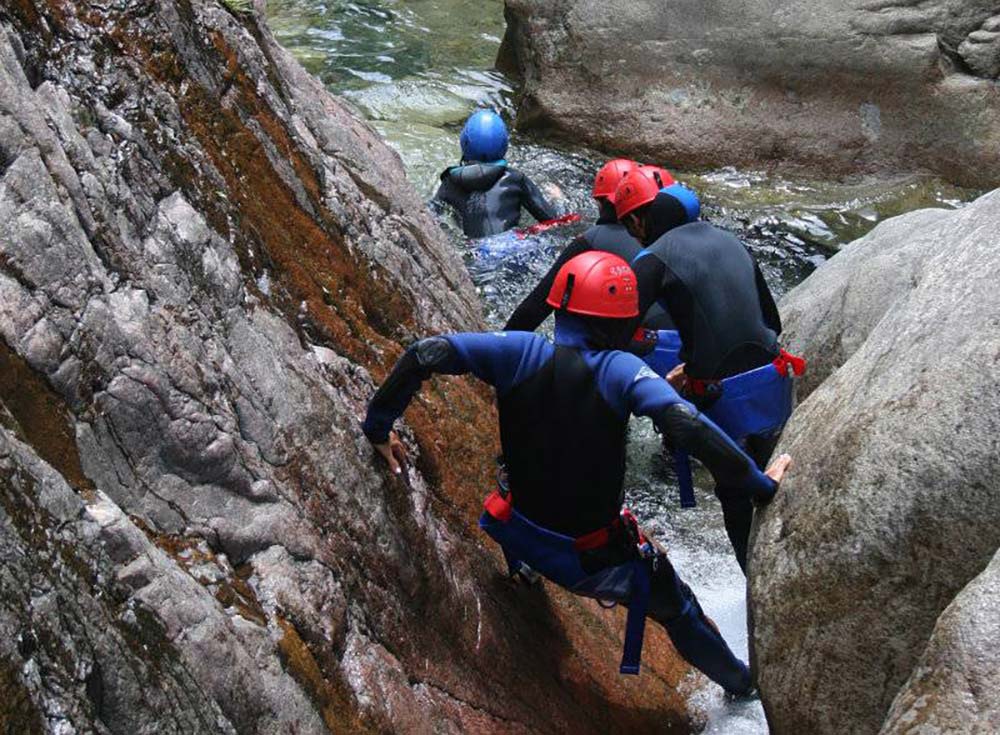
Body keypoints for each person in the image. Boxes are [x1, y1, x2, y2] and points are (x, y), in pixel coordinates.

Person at [362, 251, 792, 696]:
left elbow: (427, 352)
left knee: (518, 475)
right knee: (678, 607)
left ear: (562, 309)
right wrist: (760, 485)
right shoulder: (619, 368)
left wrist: (378, 426)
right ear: (618, 323)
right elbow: (685, 425)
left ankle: (525, 570)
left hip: (514, 527)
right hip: (591, 563)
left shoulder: (517, 350)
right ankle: (743, 686)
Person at [613, 167, 792, 573]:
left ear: (650, 220)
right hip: (773, 383)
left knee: (734, 493)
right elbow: (773, 322)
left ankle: (754, 579)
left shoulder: (653, 256)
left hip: (720, 396)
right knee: (778, 484)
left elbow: (619, 333)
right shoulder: (734, 242)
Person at [503, 160, 675, 332]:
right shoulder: (677, 236)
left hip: (641, 344)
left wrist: (501, 346)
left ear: (601, 203)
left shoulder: (593, 239)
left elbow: (534, 309)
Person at [432, 110, 559, 238]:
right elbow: (553, 221)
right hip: (512, 244)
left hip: (474, 249)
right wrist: (558, 200)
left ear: (464, 143)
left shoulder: (450, 182)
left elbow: (431, 216)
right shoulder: (516, 178)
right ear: (504, 145)